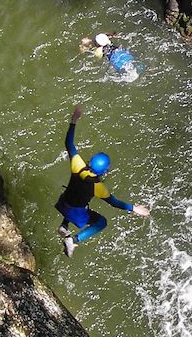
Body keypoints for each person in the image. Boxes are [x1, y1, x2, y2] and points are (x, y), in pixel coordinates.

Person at [55, 105, 149, 257]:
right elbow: (115, 203)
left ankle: (64, 225)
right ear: (104, 171)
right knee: (101, 222)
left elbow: (69, 144)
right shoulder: (98, 188)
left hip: (63, 202)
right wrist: (134, 208)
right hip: (75, 212)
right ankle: (73, 240)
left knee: (78, 197)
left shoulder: (77, 165)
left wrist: (73, 121)